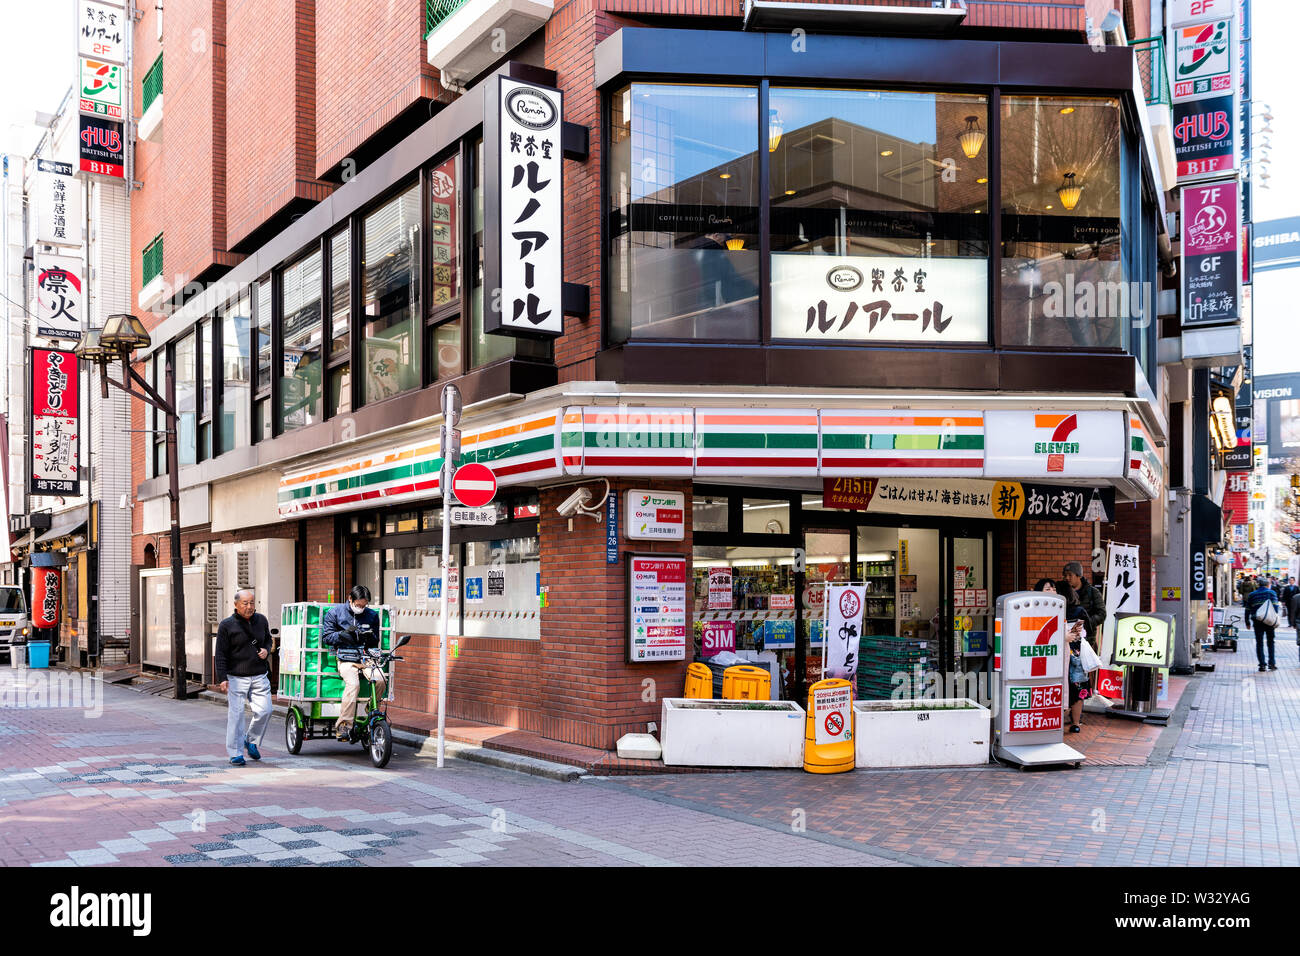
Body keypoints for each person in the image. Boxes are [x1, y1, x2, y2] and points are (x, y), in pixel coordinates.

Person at [321, 585, 388, 741]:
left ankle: (371, 707)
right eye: (358, 605)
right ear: (350, 599)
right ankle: (344, 725)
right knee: (353, 685)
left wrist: (368, 636)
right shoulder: (335, 613)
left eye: (364, 606)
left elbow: (375, 640)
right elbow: (327, 637)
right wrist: (343, 635)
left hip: (366, 657)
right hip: (345, 657)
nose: (361, 608)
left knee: (380, 679)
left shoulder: (371, 615)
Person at [215, 589, 274, 766]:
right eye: (245, 603)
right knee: (237, 715)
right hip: (236, 677)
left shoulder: (261, 620)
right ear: (236, 605)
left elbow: (268, 640)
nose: (249, 607)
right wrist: (222, 678)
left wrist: (266, 649)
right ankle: (235, 753)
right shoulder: (226, 625)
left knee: (266, 710)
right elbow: (220, 653)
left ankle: (251, 740)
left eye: (252, 603)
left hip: (259, 674)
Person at [1244, 577, 1279, 673]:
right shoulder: (1272, 593)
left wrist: (1247, 622)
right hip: (1269, 622)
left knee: (1259, 643)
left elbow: (1247, 609)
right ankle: (1272, 663)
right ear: (1267, 585)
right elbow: (1276, 607)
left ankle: (1262, 665)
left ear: (1258, 585)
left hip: (1257, 621)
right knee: (1270, 642)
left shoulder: (1252, 594)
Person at [1063, 561, 1105, 639]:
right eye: (1065, 575)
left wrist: (1086, 623)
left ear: (1079, 576)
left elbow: (1102, 614)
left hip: (1087, 639)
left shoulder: (1092, 592)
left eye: (1070, 575)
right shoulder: (1062, 592)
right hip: (1066, 638)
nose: (1067, 578)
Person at [1064, 608, 1090, 734]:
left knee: (1072, 685)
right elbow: (1090, 628)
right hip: (1075, 652)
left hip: (1066, 652)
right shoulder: (1079, 609)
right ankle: (1075, 723)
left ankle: (1073, 722)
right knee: (1078, 685)